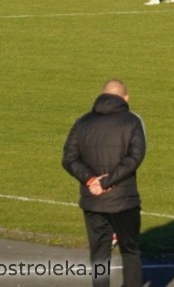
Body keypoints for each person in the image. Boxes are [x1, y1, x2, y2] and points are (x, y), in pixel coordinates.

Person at [62, 79, 146, 287]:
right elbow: (135, 158)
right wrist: (107, 181)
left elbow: (69, 158)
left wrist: (91, 180)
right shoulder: (133, 122)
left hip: (93, 200)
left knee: (99, 254)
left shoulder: (82, 122)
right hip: (123, 200)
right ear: (126, 98)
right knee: (130, 250)